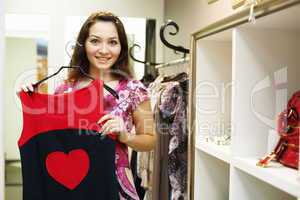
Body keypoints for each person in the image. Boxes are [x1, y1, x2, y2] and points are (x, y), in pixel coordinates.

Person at [20, 11, 156, 200]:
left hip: (116, 186)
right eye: (95, 41)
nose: (104, 50)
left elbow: (150, 140)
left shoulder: (134, 89)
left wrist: (126, 136)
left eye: (112, 42)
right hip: (74, 186)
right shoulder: (65, 89)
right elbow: (52, 137)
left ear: (122, 47)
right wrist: (32, 98)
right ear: (84, 44)